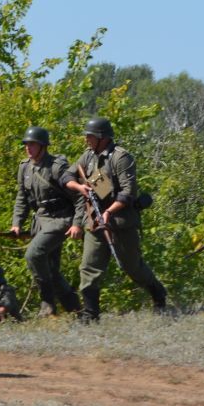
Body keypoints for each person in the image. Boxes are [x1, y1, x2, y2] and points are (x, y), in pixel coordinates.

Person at [63, 118, 168, 318]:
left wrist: (109, 211)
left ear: (102, 137)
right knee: (88, 267)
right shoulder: (87, 157)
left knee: (132, 267)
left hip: (121, 222)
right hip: (95, 222)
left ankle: (158, 293)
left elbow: (127, 193)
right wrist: (80, 187)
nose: (86, 140)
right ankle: (91, 312)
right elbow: (66, 177)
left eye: (90, 136)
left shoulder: (121, 158)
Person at [11, 127, 83, 317]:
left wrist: (77, 223)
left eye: (32, 144)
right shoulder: (25, 167)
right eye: (26, 144)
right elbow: (22, 197)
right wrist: (17, 222)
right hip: (40, 221)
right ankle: (74, 307)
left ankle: (47, 302)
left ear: (43, 146)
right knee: (51, 268)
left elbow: (79, 197)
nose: (28, 148)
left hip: (60, 219)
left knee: (33, 255)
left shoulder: (56, 167)